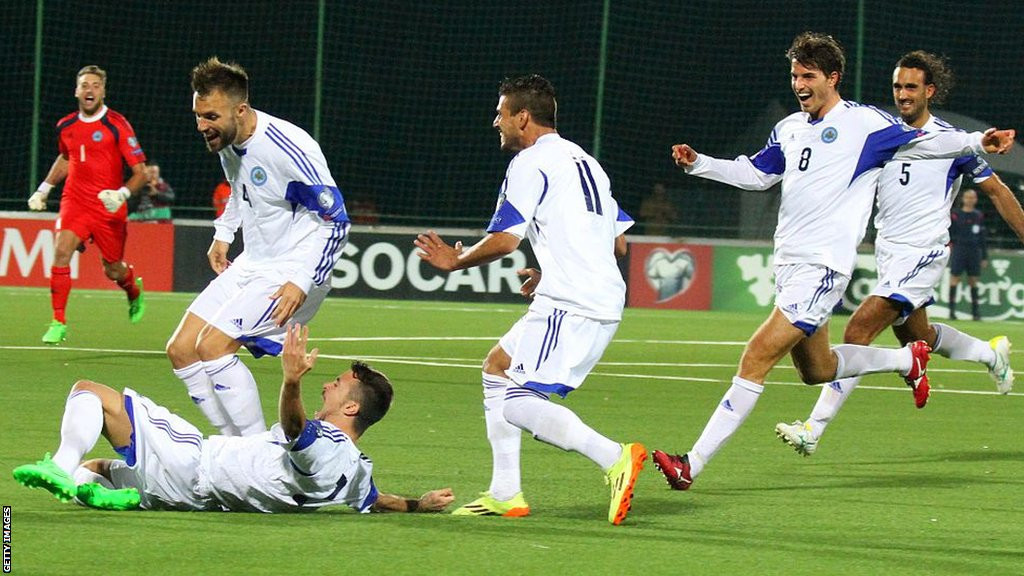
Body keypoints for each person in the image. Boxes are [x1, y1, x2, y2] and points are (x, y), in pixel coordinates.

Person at [651, 33, 1016, 491]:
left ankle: (692, 464)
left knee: (756, 357)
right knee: (817, 370)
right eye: (794, 76)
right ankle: (906, 361)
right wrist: (700, 163)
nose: (799, 84)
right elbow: (758, 174)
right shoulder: (789, 128)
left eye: (808, 76)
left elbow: (930, 142)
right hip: (789, 262)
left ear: (833, 77)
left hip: (823, 267)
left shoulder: (865, 124)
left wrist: (980, 141)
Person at [414, 74, 645, 525]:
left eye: (500, 113)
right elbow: (619, 245)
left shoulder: (529, 163)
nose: (495, 122)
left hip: (571, 302)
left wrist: (453, 261)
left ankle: (615, 456)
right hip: (587, 294)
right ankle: (506, 492)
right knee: (496, 367)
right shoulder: (587, 162)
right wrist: (554, 268)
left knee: (517, 403)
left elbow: (504, 240)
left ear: (522, 117)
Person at [774, 52, 1024, 456]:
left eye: (911, 87)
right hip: (890, 254)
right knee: (919, 336)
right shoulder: (881, 135)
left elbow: (996, 190)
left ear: (929, 91)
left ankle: (812, 429)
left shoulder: (950, 143)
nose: (902, 95)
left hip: (924, 254)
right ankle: (990, 353)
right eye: (897, 87)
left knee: (857, 331)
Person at [12, 324, 454, 514]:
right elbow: (377, 500)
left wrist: (292, 380)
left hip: (192, 462)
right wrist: (419, 504)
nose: (327, 386)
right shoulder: (356, 470)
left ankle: (59, 463)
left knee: (89, 392)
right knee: (97, 469)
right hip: (190, 497)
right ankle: (97, 492)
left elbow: (298, 431)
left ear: (352, 409)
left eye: (336, 384)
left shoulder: (326, 444)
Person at [165, 57, 350, 438]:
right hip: (254, 262)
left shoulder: (289, 149)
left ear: (241, 109)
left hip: (293, 269)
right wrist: (224, 233)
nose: (201, 126)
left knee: (213, 346)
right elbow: (239, 189)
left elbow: (337, 222)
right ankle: (234, 446)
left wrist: (301, 280)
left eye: (210, 116)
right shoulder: (228, 139)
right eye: (198, 115)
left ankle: (255, 454)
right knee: (181, 348)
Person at [26, 65, 148, 344]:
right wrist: (44, 189)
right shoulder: (66, 125)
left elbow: (140, 171)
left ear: (103, 91)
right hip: (76, 201)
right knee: (60, 251)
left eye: (95, 85)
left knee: (112, 269)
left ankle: (132, 289)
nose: (89, 89)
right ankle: (58, 321)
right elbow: (66, 158)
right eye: (84, 85)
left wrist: (121, 195)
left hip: (109, 207)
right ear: (76, 91)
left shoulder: (117, 124)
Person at [948, 188, 989, 320]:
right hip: (959, 249)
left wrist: (984, 256)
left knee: (973, 281)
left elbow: (983, 237)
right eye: (968, 197)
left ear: (975, 200)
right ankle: (952, 311)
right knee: (954, 278)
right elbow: (950, 233)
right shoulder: (955, 214)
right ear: (963, 199)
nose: (970, 200)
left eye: (973, 197)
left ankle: (975, 313)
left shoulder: (978, 216)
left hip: (974, 250)